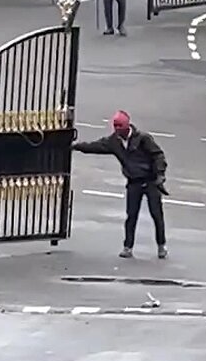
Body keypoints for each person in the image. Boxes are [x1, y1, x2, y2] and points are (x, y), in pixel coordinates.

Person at [71, 110, 168, 259]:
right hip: (133, 182)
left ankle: (161, 246)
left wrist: (160, 174)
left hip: (150, 181)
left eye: (120, 126)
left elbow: (158, 155)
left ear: (127, 125)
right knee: (131, 216)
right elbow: (96, 146)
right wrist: (76, 146)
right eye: (115, 126)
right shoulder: (114, 142)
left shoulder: (143, 139)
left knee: (156, 215)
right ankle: (127, 247)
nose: (117, 130)